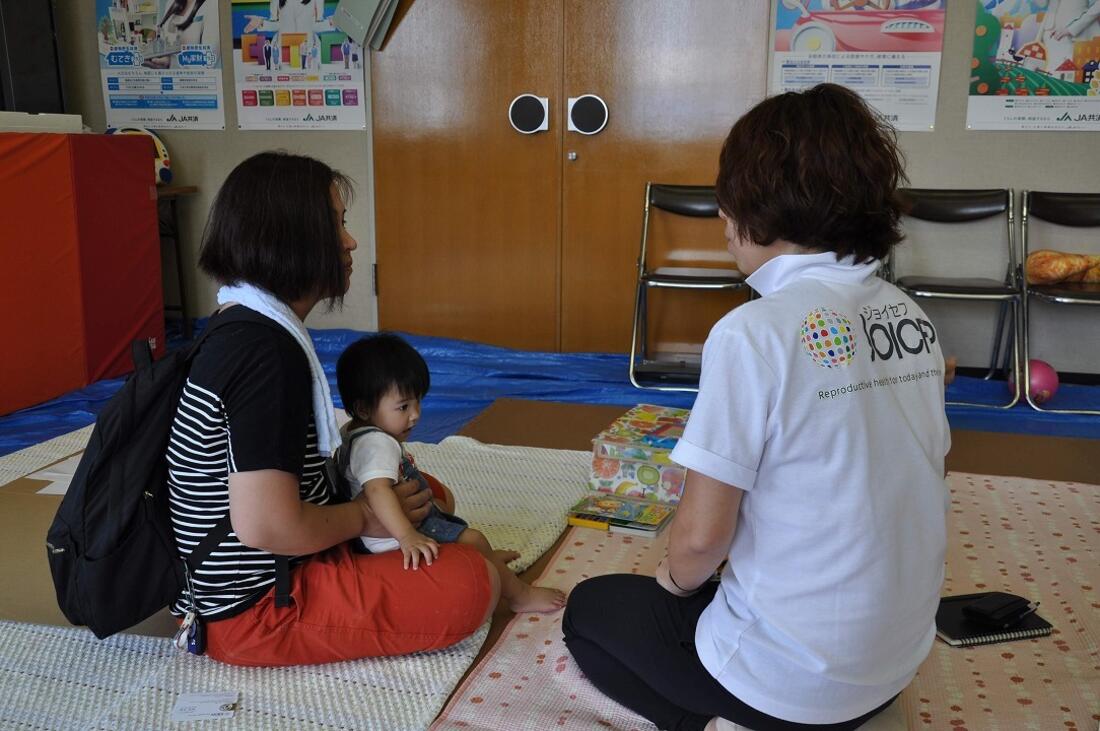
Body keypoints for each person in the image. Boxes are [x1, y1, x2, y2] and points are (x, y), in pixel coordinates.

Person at [563, 83, 950, 731]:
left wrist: (672, 587)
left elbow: (701, 537)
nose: (721, 219)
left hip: (788, 685)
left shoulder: (754, 332)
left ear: (756, 207)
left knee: (590, 610)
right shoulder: (910, 317)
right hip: (896, 663)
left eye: (725, 200)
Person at [165, 151, 499, 667]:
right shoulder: (263, 356)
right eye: (338, 226)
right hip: (255, 611)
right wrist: (366, 515)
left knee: (424, 491)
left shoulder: (247, 326)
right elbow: (265, 528)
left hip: (275, 563)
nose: (350, 243)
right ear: (292, 238)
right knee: (472, 580)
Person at [335, 333, 567, 612]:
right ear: (363, 408)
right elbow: (377, 491)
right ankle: (519, 596)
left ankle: (489, 559)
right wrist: (407, 536)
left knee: (442, 505)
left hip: (390, 528)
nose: (416, 414)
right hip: (389, 538)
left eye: (418, 402)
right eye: (403, 407)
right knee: (475, 540)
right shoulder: (376, 443)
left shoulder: (353, 432)